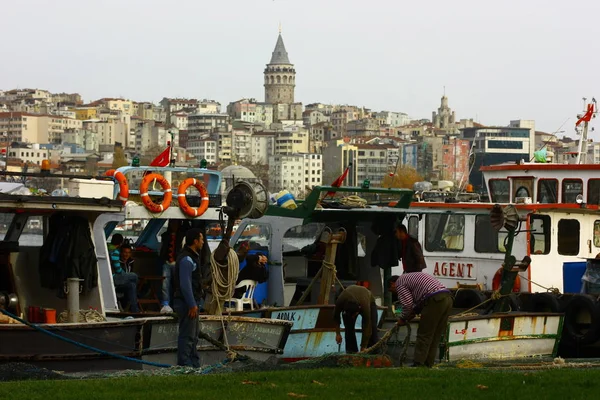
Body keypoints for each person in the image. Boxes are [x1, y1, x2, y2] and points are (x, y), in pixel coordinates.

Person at [390, 272, 452, 367]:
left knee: (424, 334)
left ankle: (418, 363)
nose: (395, 293)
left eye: (392, 290)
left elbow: (407, 304)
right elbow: (418, 303)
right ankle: (428, 363)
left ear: (392, 283)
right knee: (435, 334)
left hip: (434, 299)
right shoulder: (409, 278)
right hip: (447, 298)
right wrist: (411, 314)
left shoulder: (399, 283)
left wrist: (402, 318)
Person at [172, 228, 205, 367]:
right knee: (187, 336)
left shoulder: (191, 257)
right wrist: (192, 304)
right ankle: (184, 365)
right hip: (186, 304)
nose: (203, 242)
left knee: (194, 335)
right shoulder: (187, 259)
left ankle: (194, 364)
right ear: (195, 241)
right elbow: (185, 284)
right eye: (201, 239)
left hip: (191, 302)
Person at [333, 285, 379, 353]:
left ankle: (372, 352)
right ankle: (351, 352)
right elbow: (335, 316)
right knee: (348, 327)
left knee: (372, 327)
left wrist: (363, 347)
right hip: (349, 299)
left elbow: (367, 326)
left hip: (368, 299)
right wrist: (338, 334)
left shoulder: (364, 306)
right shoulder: (340, 301)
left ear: (359, 309)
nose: (353, 318)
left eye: (354, 315)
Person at [158, 220, 187, 314]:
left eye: (176, 223)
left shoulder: (183, 235)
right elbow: (162, 248)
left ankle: (177, 304)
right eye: (172, 223)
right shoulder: (165, 235)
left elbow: (183, 249)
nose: (174, 225)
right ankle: (165, 304)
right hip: (167, 262)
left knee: (177, 284)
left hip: (176, 263)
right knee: (165, 285)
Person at [108, 234, 139, 313]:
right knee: (134, 276)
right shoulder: (115, 252)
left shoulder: (108, 248)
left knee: (132, 285)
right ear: (120, 243)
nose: (126, 254)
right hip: (115, 279)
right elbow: (118, 270)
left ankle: (134, 310)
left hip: (114, 279)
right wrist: (124, 275)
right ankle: (136, 302)